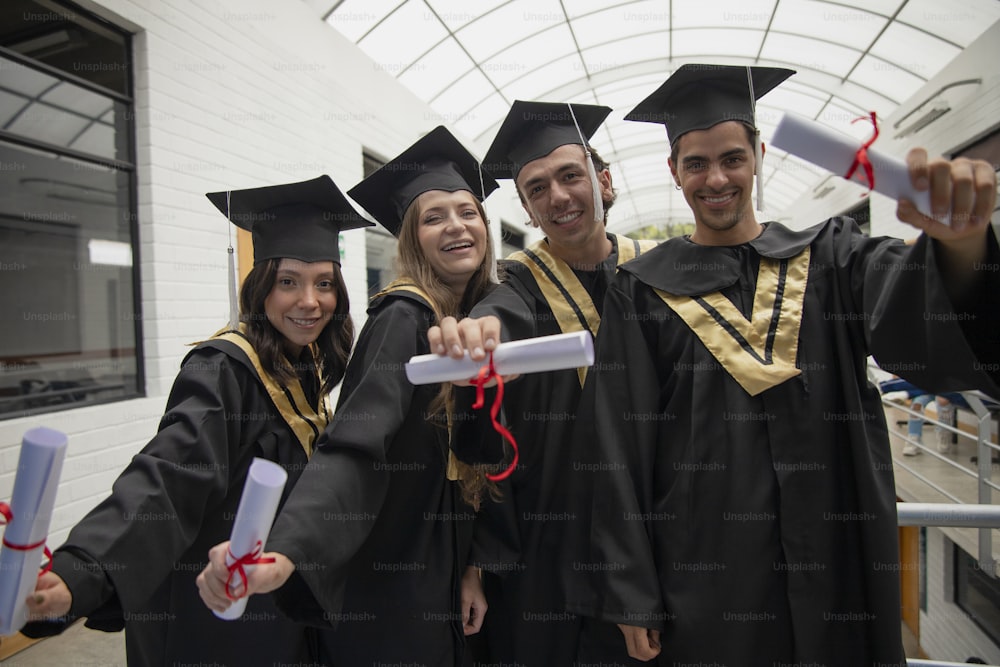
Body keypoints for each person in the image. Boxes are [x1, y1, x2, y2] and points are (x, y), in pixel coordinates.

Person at [565, 63, 1000, 665]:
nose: (716, 178)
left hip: (834, 555)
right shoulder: (639, 289)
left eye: (732, 159)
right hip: (707, 570)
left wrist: (963, 246)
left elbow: (917, 315)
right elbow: (616, 445)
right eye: (696, 163)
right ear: (674, 171)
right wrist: (630, 594)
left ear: (759, 155)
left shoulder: (833, 257)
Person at [22, 175, 372, 665]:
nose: (309, 301)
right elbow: (170, 474)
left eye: (324, 284)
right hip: (203, 606)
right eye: (287, 281)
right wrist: (83, 572)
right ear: (261, 286)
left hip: (262, 591)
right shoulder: (222, 368)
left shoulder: (308, 364)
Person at [196, 126, 500, 665]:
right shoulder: (402, 317)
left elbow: (471, 463)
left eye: (467, 211)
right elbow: (354, 447)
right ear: (412, 238)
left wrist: (471, 567)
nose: (455, 226)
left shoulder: (469, 319)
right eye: (433, 216)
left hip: (440, 564)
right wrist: (290, 549)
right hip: (393, 579)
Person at [429, 100, 658, 666]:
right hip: (548, 555)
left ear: (603, 182)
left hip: (655, 537)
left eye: (570, 175)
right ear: (528, 210)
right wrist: (481, 333)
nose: (556, 196)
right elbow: (498, 320)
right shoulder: (515, 286)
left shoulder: (657, 272)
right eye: (536, 188)